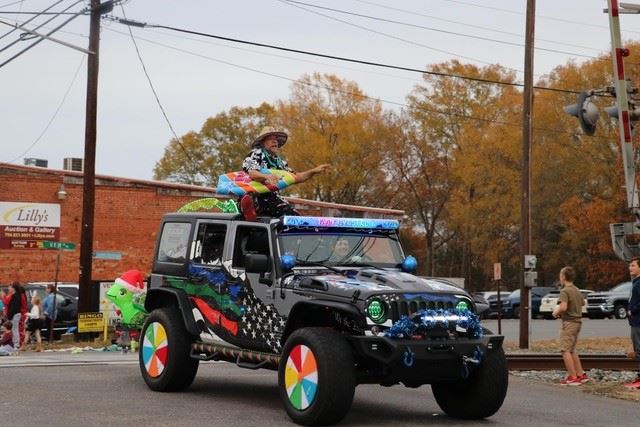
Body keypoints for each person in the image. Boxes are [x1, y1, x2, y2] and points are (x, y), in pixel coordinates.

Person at [240, 126, 331, 220]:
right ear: (263, 142)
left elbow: (296, 177)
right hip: (256, 195)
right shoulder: (256, 153)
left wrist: (314, 171)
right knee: (288, 215)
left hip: (272, 199)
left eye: (276, 139)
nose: (275, 141)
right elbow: (252, 173)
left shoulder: (280, 162)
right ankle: (249, 208)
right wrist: (266, 176)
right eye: (270, 139)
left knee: (294, 217)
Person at [552, 266, 588, 385]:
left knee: (564, 349)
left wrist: (555, 313)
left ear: (563, 277)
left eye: (560, 275)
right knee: (571, 349)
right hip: (577, 322)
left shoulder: (565, 291)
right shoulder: (576, 289)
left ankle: (572, 377)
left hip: (569, 323)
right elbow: (582, 302)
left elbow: (563, 307)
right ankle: (580, 374)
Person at [624, 257, 640, 389]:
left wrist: (632, 310)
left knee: (639, 350)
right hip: (635, 321)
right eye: (630, 265)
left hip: (638, 321)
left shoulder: (639, 283)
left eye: (633, 265)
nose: (630, 268)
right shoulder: (636, 282)